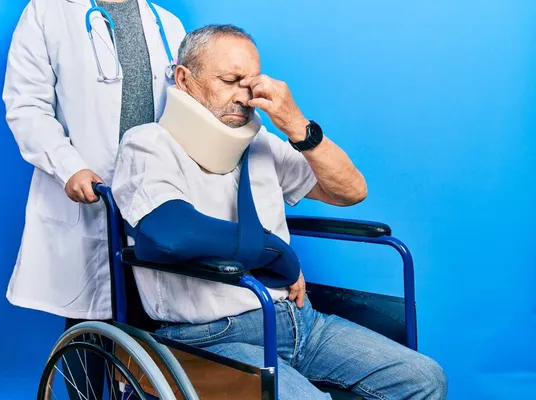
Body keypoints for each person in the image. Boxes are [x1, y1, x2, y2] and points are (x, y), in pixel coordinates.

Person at [111, 24, 448, 399]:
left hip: (300, 321)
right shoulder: (148, 145)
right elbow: (171, 234)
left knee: (424, 377)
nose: (244, 96)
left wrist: (298, 126)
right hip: (211, 337)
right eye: (230, 80)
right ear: (184, 79)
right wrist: (279, 256)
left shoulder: (263, 144)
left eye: (251, 84)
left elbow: (351, 191)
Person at [2, 0, 185, 398]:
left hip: (156, 201)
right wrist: (69, 167)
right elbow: (26, 106)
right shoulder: (48, 12)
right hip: (90, 197)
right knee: (90, 330)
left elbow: (190, 108)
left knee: (154, 338)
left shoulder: (167, 24)